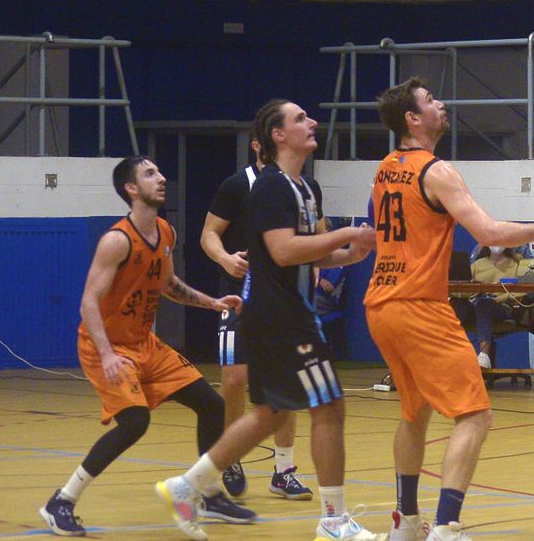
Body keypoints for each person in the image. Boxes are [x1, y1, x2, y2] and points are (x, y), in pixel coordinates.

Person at [158, 100, 379, 541]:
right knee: (328, 408)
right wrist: (347, 233)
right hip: (282, 318)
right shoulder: (271, 187)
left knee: (270, 415)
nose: (312, 122)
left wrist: (348, 254)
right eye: (300, 119)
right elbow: (282, 250)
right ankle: (333, 520)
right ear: (277, 135)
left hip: (286, 315)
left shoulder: (305, 188)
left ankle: (187, 486)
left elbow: (306, 253)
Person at [364, 77, 534, 541]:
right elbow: (490, 234)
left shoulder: (384, 169)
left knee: (414, 413)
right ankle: (446, 525)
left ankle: (405, 522)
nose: (441, 104)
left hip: (380, 304)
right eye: (429, 101)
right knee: (475, 415)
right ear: (412, 119)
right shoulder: (436, 171)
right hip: (419, 306)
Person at [39, 157, 256, 537]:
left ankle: (208, 493)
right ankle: (62, 501)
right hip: (105, 345)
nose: (162, 177)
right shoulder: (116, 241)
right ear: (131, 188)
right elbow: (88, 302)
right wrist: (108, 354)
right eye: (150, 174)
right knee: (135, 422)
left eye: (159, 171)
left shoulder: (165, 232)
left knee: (212, 404)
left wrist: (213, 302)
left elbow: (168, 285)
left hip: (145, 343)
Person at [200, 137, 310, 500]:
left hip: (283, 300)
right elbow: (208, 234)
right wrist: (225, 258)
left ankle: (284, 471)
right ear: (260, 142)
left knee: (286, 384)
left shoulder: (303, 186)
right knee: (234, 379)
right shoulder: (237, 185)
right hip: (238, 296)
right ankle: (230, 455)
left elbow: (316, 235)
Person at [468, 244, 534, 370]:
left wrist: (500, 298)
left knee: (484, 304)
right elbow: (466, 289)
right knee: (464, 307)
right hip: (477, 305)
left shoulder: (516, 265)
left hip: (504, 307)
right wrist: (477, 291)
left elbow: (524, 291)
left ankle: (484, 355)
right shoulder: (477, 264)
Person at [315, 261, 348, 361]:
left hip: (328, 305)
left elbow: (330, 286)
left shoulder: (340, 264)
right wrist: (319, 279)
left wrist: (320, 280)